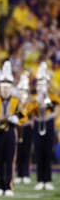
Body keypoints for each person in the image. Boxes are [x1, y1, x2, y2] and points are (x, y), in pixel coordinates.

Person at [0, 61, 27, 197]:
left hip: (10, 131)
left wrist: (17, 120)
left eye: (7, 87)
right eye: (3, 87)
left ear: (10, 88)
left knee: (10, 160)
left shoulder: (16, 101)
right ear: (0, 88)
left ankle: (9, 186)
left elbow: (24, 116)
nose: (5, 90)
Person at [32, 62, 60, 191]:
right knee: (38, 152)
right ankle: (39, 179)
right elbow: (29, 111)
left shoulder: (52, 96)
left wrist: (52, 111)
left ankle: (47, 179)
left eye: (44, 83)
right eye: (40, 83)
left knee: (48, 152)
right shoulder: (34, 98)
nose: (42, 86)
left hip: (48, 123)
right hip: (38, 122)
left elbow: (57, 108)